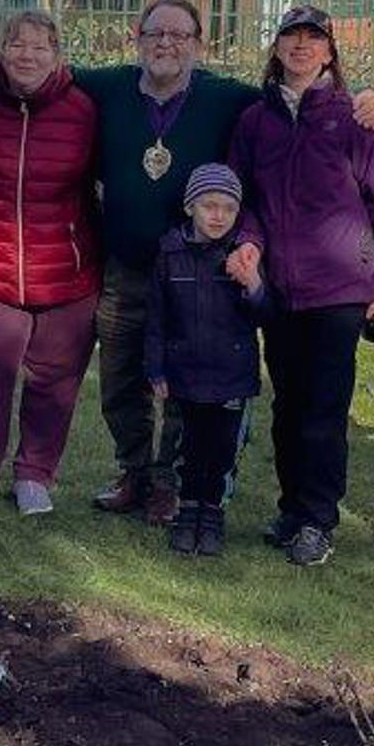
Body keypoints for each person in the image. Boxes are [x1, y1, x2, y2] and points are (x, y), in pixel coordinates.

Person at [71, 0, 259, 525]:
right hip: (126, 267)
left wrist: (363, 101)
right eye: (156, 33)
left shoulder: (225, 98)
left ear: (199, 44)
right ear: (137, 37)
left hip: (194, 273)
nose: (166, 44)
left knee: (184, 384)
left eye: (180, 35)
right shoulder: (108, 88)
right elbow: (39, 69)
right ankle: (134, 471)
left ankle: (171, 482)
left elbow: (289, 96)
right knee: (120, 378)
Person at [228, 4, 374, 568]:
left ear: (329, 52)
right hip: (278, 287)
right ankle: (291, 507)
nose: (301, 47)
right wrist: (248, 241)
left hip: (339, 290)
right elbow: (244, 198)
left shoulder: (355, 118)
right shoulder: (256, 121)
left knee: (324, 410)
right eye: (290, 38)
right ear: (276, 49)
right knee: (287, 406)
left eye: (313, 39)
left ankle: (318, 519)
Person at [0, 10, 99, 517]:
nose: (27, 55)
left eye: (39, 47)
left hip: (66, 272)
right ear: (1, 50)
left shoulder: (83, 108)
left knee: (54, 381)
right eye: (16, 44)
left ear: (57, 54)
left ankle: (35, 473)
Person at [145, 163, 269, 556]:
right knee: (190, 447)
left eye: (228, 209)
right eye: (209, 206)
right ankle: (188, 513)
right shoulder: (169, 252)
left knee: (221, 452)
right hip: (186, 374)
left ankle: (212, 515)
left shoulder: (242, 257)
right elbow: (156, 319)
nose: (218, 216)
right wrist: (156, 368)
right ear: (190, 207)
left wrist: (254, 287)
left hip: (232, 376)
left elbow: (266, 316)